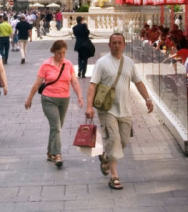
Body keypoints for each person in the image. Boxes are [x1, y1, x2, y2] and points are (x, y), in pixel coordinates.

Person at [85, 34, 153, 190]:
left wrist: (147, 99)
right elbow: (92, 85)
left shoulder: (129, 63)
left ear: (124, 45)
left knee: (123, 141)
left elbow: (138, 82)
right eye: (114, 43)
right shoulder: (102, 63)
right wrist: (89, 106)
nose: (116, 45)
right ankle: (114, 176)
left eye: (119, 43)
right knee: (114, 140)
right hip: (107, 110)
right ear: (109, 45)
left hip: (125, 110)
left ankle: (105, 157)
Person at [24, 40, 83, 168]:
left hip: (64, 99)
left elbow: (74, 82)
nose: (61, 56)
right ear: (53, 52)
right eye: (58, 53)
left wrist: (79, 95)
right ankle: (57, 155)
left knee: (56, 127)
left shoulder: (68, 64)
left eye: (63, 53)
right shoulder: (46, 65)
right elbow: (37, 84)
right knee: (56, 126)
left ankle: (50, 151)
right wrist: (29, 99)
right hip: (48, 99)